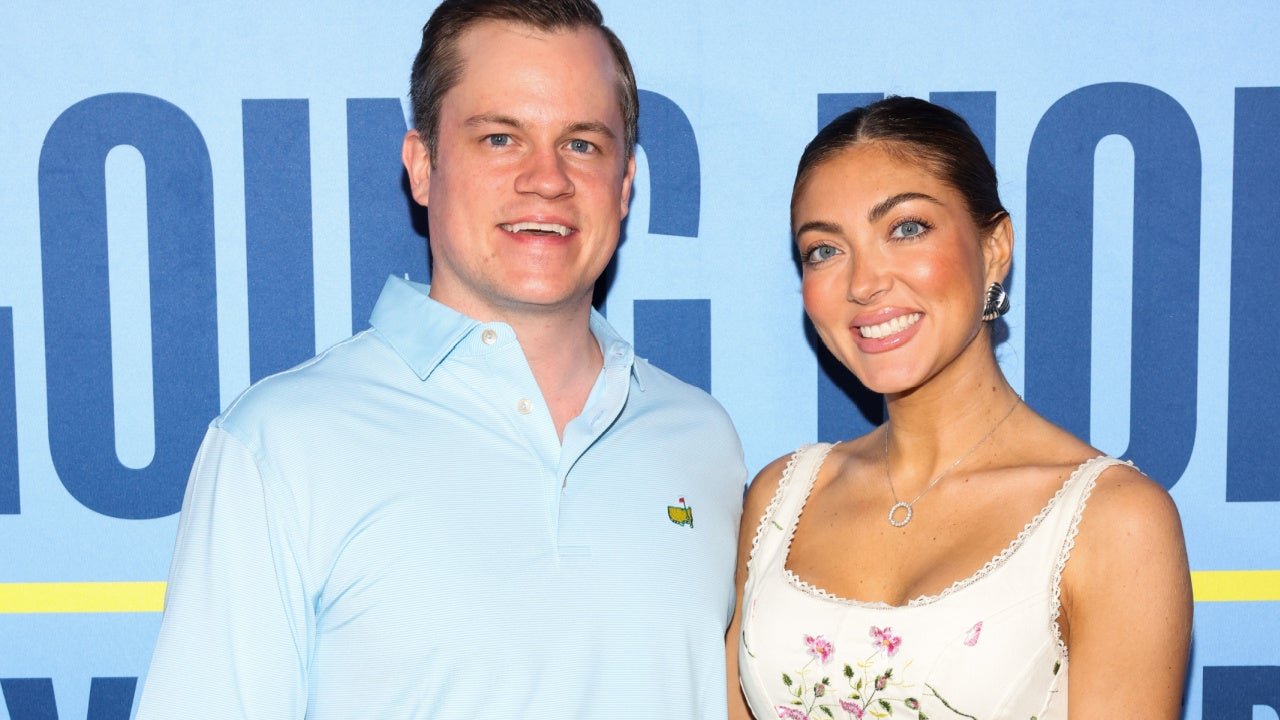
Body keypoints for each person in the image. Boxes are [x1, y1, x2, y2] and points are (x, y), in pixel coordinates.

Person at [137, 1, 746, 717]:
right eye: (500, 138)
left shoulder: (703, 441)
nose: (547, 178)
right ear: (423, 167)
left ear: (625, 184)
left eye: (582, 144)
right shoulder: (282, 443)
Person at [726, 97, 1191, 720]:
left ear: (994, 247)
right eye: (824, 250)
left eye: (906, 229)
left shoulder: (1114, 520)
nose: (863, 283)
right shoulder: (779, 500)